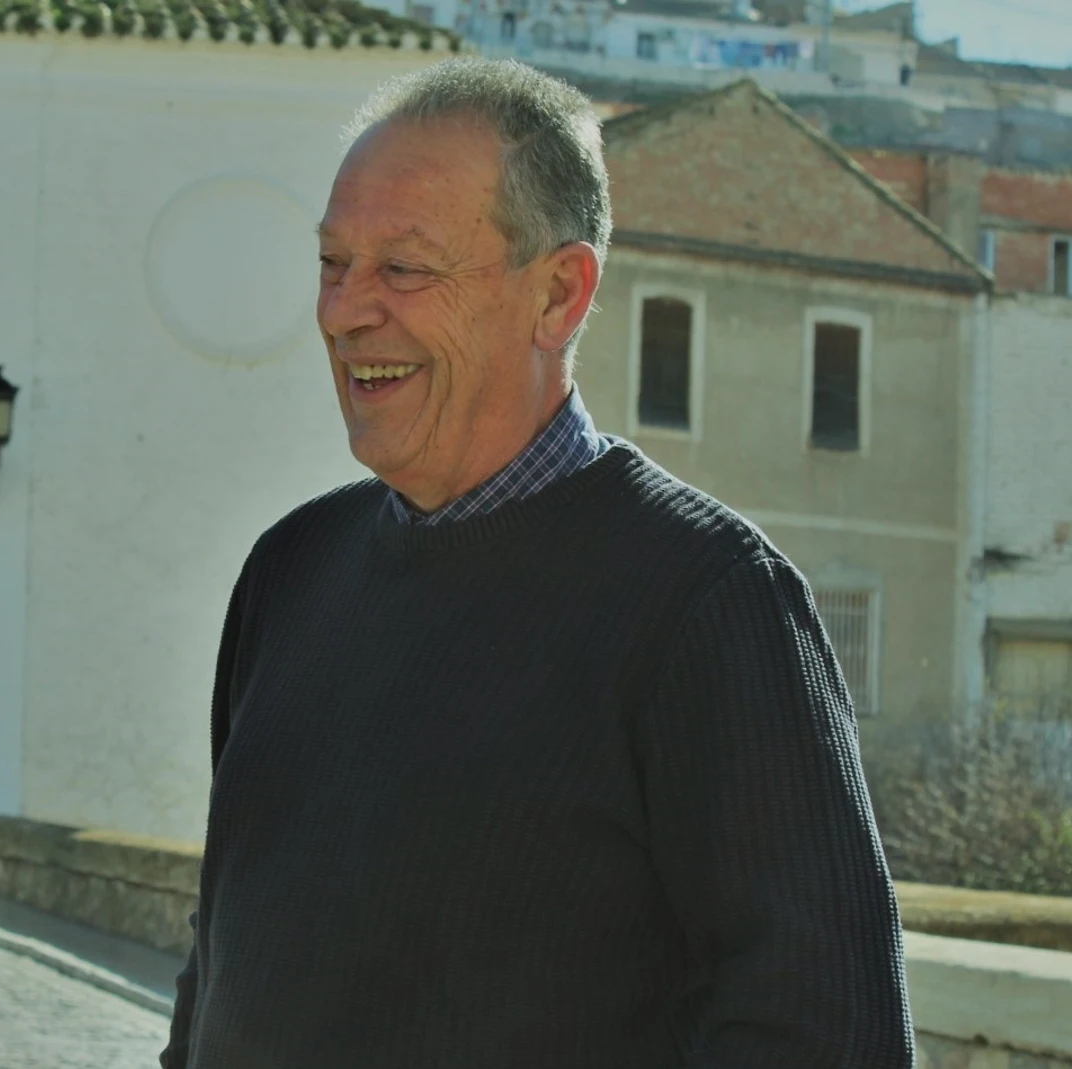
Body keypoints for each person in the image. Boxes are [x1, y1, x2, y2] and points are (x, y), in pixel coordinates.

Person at [161, 58, 913, 1068]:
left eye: (404, 268)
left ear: (558, 293)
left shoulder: (712, 604)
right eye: (334, 263)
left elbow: (828, 1036)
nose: (343, 311)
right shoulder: (287, 571)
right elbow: (221, 968)